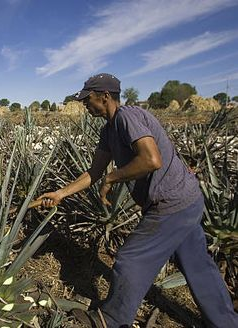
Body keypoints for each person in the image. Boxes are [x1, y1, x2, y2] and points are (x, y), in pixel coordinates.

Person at [37, 73, 238, 327]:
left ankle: (110, 319)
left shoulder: (127, 117)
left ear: (105, 96)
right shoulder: (109, 130)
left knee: (131, 259)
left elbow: (151, 160)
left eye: (88, 99)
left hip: (171, 203)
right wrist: (60, 194)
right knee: (198, 266)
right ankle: (227, 323)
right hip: (188, 200)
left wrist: (112, 178)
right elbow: (94, 171)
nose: (85, 104)